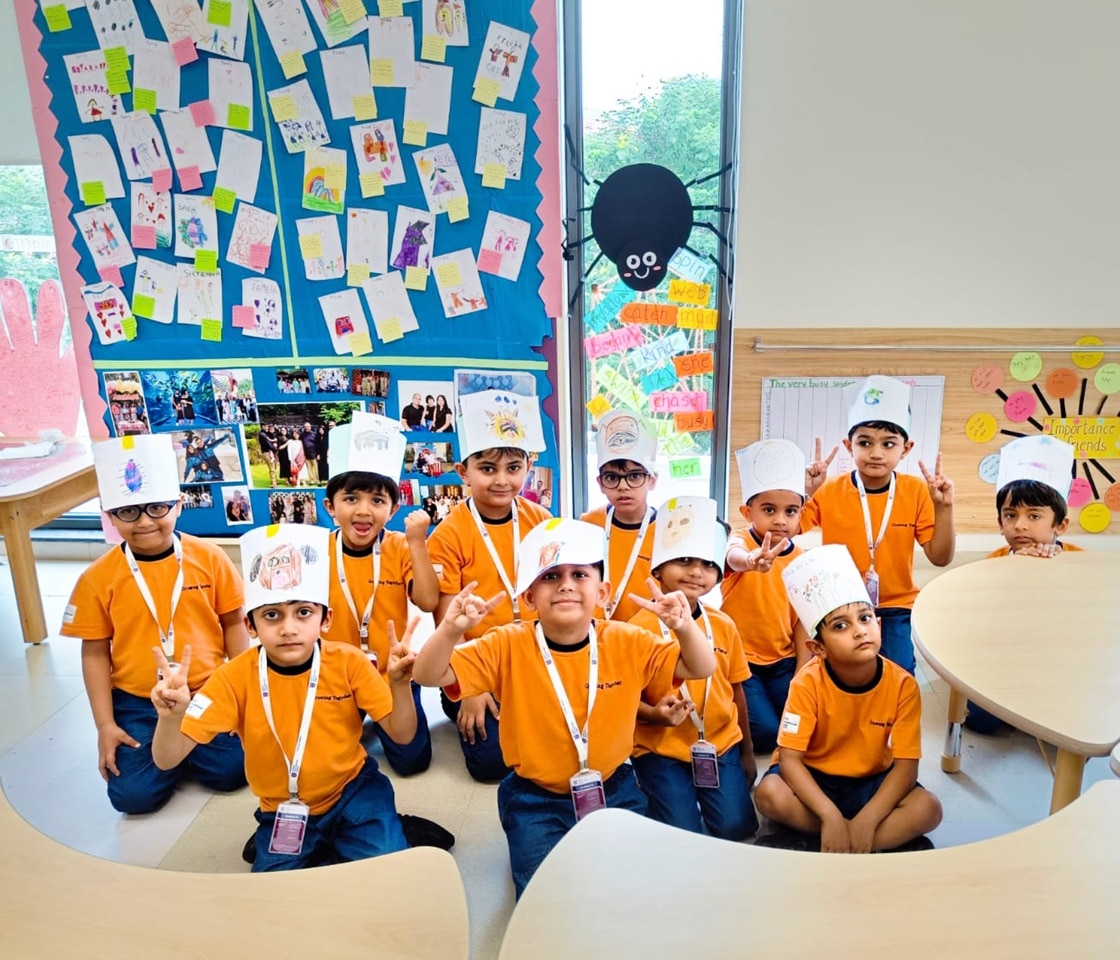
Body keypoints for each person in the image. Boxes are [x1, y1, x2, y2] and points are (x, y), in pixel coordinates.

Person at [414, 517, 718, 896]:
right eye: (550, 577)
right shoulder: (506, 643)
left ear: (603, 592)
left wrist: (685, 627)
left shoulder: (627, 640)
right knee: (543, 897)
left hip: (614, 784)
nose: (567, 586)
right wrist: (449, 630)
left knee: (635, 886)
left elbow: (701, 667)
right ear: (528, 596)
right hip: (534, 795)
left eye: (579, 574)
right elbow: (429, 675)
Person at [150, 523, 416, 871]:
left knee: (385, 873)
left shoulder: (349, 662)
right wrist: (170, 718)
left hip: (353, 790)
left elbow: (402, 735)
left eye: (303, 612)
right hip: (283, 806)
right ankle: (316, 840)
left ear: (325, 619)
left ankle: (374, 827)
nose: (288, 628)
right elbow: (167, 760)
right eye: (271, 615)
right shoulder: (232, 678)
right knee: (275, 896)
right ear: (250, 625)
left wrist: (399, 685)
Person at [60, 435, 249, 814]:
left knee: (232, 772)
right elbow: (94, 653)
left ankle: (176, 751)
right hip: (138, 700)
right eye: (128, 511)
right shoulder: (98, 578)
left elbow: (234, 624)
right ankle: (173, 750)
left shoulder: (210, 558)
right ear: (109, 514)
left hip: (206, 689)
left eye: (157, 508)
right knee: (132, 797)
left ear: (179, 504)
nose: (145, 522)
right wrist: (105, 726)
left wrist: (242, 697)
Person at [753, 544, 943, 852]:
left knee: (929, 809)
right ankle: (842, 835)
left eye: (865, 618)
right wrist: (829, 815)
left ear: (878, 625)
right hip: (814, 778)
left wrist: (868, 819)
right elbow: (790, 761)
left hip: (871, 780)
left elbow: (907, 767)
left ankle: (839, 841)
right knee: (769, 794)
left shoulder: (903, 685)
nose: (859, 632)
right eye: (840, 626)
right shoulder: (806, 683)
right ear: (818, 649)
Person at [422, 390, 552, 781]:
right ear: (463, 472)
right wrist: (471, 686)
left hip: (533, 654)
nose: (502, 480)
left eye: (514, 468)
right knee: (493, 765)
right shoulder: (447, 535)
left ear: (528, 467)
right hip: (477, 662)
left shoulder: (540, 520)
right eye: (487, 468)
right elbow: (446, 617)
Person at [800, 375, 955, 673]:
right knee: (841, 674)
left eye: (888, 444)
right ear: (849, 445)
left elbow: (940, 557)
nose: (875, 453)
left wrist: (944, 507)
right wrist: (808, 492)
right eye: (865, 443)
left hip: (897, 606)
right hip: (841, 602)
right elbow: (789, 531)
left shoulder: (917, 491)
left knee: (898, 674)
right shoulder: (830, 490)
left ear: (905, 448)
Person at [630, 497, 759, 841]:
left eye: (707, 563)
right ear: (657, 569)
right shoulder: (635, 629)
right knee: (681, 834)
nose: (696, 572)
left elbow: (736, 691)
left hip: (718, 743)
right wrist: (653, 715)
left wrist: (746, 752)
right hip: (661, 748)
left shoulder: (724, 624)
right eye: (684, 560)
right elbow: (623, 699)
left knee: (737, 828)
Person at [323, 412, 440, 775]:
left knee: (412, 761)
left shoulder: (401, 546)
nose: (363, 510)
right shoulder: (316, 552)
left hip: (391, 673)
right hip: (334, 674)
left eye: (377, 501)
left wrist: (418, 544)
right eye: (351, 498)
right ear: (331, 507)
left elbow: (427, 601)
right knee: (329, 760)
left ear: (393, 507)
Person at [965, 435, 1081, 734]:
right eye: (1010, 515)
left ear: (1060, 525)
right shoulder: (993, 562)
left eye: (1034, 515)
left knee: (1069, 731)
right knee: (981, 721)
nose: (1020, 525)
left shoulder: (1080, 563)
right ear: (1000, 522)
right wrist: (1016, 568)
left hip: (1058, 666)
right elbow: (979, 621)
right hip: (1003, 663)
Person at [721, 439, 812, 753]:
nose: (780, 520)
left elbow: (801, 619)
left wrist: (803, 669)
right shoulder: (740, 542)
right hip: (742, 662)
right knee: (766, 733)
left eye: (790, 511)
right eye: (769, 510)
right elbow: (732, 556)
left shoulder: (800, 557)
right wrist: (750, 562)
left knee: (800, 719)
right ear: (748, 511)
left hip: (783, 660)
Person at [580, 408, 658, 624]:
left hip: (647, 634)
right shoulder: (588, 523)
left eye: (634, 476)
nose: (623, 487)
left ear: (652, 480)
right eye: (612, 477)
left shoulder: (666, 530)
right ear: (600, 483)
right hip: (596, 632)